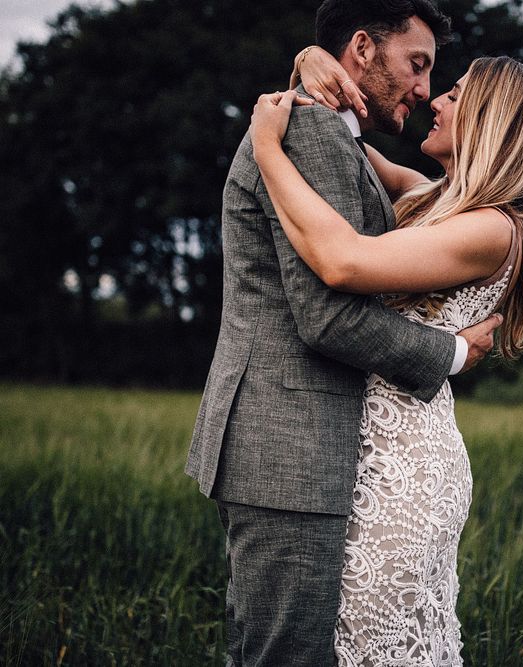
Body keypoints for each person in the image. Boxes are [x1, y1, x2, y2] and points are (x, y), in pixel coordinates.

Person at [185, 1, 503, 665]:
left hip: (318, 451)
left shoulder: (338, 138)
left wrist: (310, 66)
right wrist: (452, 351)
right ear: (361, 49)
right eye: (417, 66)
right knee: (285, 653)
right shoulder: (311, 132)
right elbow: (326, 309)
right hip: (288, 445)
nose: (423, 90)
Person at [249, 50, 523, 664]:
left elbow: (343, 262)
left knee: (371, 644)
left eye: (455, 94)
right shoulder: (435, 199)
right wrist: (311, 64)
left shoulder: (491, 230)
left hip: (404, 474)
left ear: (491, 120)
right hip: (361, 453)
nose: (434, 101)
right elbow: (338, 145)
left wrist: (265, 152)